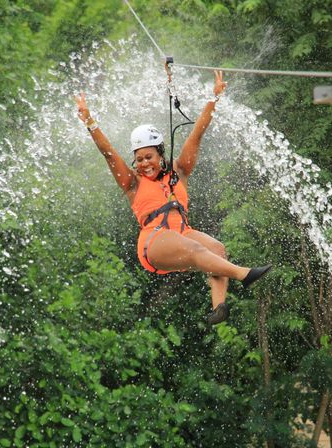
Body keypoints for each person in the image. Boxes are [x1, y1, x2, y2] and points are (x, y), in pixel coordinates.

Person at [73, 70, 271, 325]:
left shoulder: (179, 171)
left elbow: (196, 135)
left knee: (217, 249)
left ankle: (218, 308)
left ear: (160, 154)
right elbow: (109, 153)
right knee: (195, 248)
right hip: (154, 242)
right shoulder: (133, 183)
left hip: (182, 235)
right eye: (139, 158)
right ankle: (244, 275)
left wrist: (214, 99)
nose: (144, 163)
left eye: (149, 157)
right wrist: (90, 121)